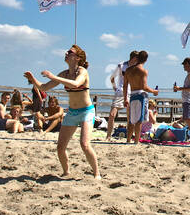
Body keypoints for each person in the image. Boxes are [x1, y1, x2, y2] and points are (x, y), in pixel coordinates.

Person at [26, 44, 98, 177]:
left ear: (77, 58)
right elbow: (44, 87)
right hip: (72, 112)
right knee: (60, 147)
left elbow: (76, 84)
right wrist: (33, 79)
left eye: (70, 52)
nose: (66, 53)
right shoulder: (64, 74)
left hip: (86, 111)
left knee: (84, 144)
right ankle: (66, 172)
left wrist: (53, 77)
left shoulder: (82, 71)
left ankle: (97, 174)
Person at [122, 50, 158, 144]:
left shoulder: (128, 70)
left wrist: (125, 98)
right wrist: (154, 91)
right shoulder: (143, 71)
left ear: (137, 58)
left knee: (131, 119)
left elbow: (125, 85)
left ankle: (128, 140)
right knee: (139, 120)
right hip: (140, 95)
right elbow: (144, 87)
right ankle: (136, 141)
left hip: (132, 94)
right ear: (146, 59)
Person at [107, 51, 137, 139]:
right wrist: (115, 88)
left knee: (130, 116)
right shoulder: (121, 65)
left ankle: (129, 135)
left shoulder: (137, 67)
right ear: (134, 58)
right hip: (120, 92)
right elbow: (112, 78)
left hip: (131, 92)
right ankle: (108, 135)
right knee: (112, 114)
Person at [175, 57, 190, 142]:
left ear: (188, 64)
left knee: (189, 120)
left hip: (189, 100)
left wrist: (179, 88)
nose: (183, 66)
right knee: (189, 120)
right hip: (188, 100)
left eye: (184, 64)